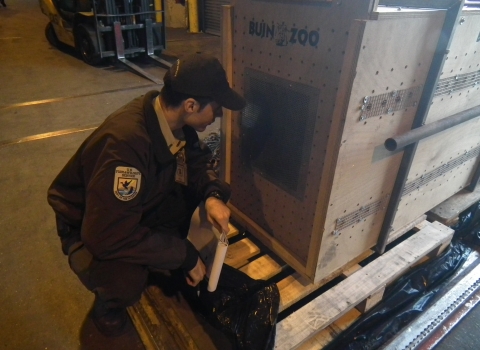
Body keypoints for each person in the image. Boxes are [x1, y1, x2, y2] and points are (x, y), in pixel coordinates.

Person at [47, 54, 246, 337]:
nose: (217, 117)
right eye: (216, 109)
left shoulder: (170, 117)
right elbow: (106, 235)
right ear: (191, 105)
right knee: (125, 280)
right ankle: (109, 304)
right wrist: (184, 255)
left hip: (129, 207)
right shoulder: (125, 148)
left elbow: (196, 160)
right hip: (87, 225)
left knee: (188, 204)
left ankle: (154, 254)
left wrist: (213, 195)